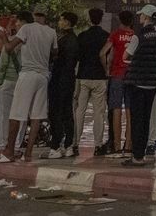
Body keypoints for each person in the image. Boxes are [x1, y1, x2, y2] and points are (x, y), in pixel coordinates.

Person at [0, 7, 56, 163]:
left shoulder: (26, 28)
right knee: (36, 116)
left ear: (33, 15)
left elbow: (9, 48)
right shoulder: (51, 32)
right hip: (43, 76)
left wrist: (4, 37)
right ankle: (28, 154)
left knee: (16, 114)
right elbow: (55, 52)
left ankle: (9, 152)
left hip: (28, 74)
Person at [120, 4, 156, 166]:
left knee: (137, 120)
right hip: (153, 84)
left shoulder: (138, 36)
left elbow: (126, 55)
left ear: (146, 17)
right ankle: (143, 153)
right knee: (146, 120)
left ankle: (137, 157)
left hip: (138, 83)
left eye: (141, 15)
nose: (139, 18)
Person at [66, 9, 110, 158]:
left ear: (89, 19)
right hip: (100, 77)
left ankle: (75, 144)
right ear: (101, 19)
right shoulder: (106, 36)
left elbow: (77, 57)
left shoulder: (82, 36)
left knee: (79, 111)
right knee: (99, 113)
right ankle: (97, 145)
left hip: (83, 77)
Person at [44, 11, 81, 158]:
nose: (59, 22)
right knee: (67, 112)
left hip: (60, 79)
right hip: (69, 79)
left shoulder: (64, 40)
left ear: (67, 22)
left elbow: (56, 59)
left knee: (56, 112)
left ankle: (56, 145)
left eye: (61, 20)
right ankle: (69, 145)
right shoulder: (74, 39)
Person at [101, 10, 135, 155]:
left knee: (116, 109)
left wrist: (106, 69)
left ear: (120, 20)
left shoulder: (115, 35)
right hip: (132, 76)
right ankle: (129, 145)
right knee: (129, 111)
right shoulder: (135, 36)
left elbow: (103, 53)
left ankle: (116, 145)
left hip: (117, 75)